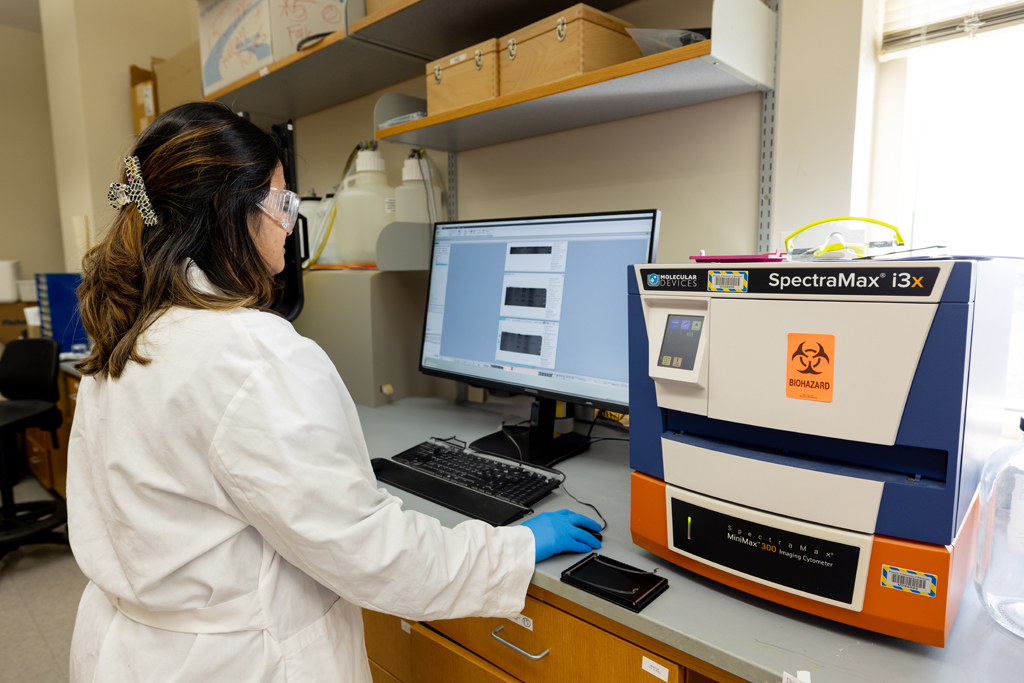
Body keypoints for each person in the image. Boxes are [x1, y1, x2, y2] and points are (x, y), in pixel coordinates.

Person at [67, 102, 602, 682]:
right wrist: (513, 549)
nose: (290, 221)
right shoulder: (253, 356)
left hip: (134, 653)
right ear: (228, 214)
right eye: (280, 201)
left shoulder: (128, 337)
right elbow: (372, 554)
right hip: (240, 661)